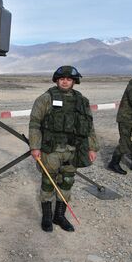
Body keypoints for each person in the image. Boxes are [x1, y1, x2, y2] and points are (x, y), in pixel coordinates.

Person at [29, 66, 99, 232]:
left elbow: (89, 126)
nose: (65, 81)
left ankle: (59, 215)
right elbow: (35, 124)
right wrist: (34, 147)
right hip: (51, 150)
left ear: (74, 81)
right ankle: (46, 216)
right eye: (62, 79)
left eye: (69, 79)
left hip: (73, 149)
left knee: (67, 182)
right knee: (48, 182)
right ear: (57, 80)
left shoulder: (82, 101)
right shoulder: (45, 98)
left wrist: (92, 147)